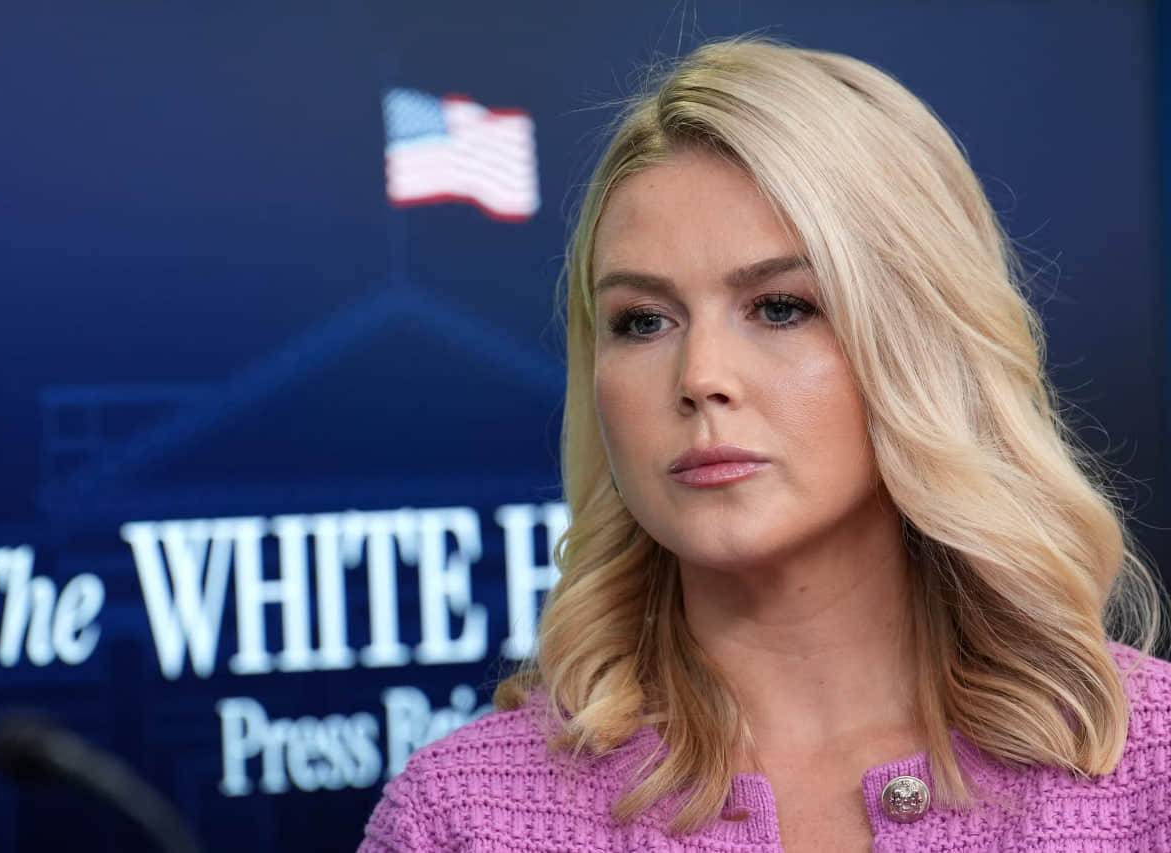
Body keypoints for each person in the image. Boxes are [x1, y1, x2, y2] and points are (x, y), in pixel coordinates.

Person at [358, 36, 1171, 852]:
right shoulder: (458, 817)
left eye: (781, 307)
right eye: (643, 321)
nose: (700, 376)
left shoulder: (1151, 765)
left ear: (923, 341)